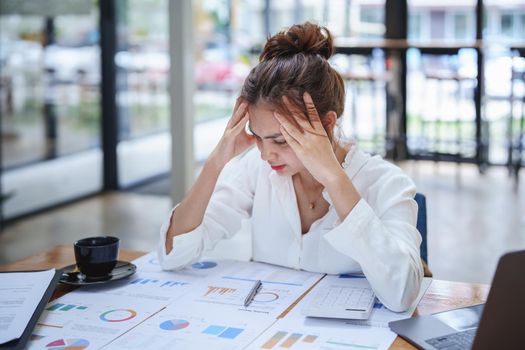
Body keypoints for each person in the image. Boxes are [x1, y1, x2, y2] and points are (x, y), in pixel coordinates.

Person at [158, 22, 423, 312]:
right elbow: (174, 255)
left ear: (327, 124)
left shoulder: (386, 183)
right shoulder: (255, 171)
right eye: (258, 138)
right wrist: (215, 162)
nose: (266, 155)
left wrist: (334, 179)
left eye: (281, 140)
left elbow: (403, 293)